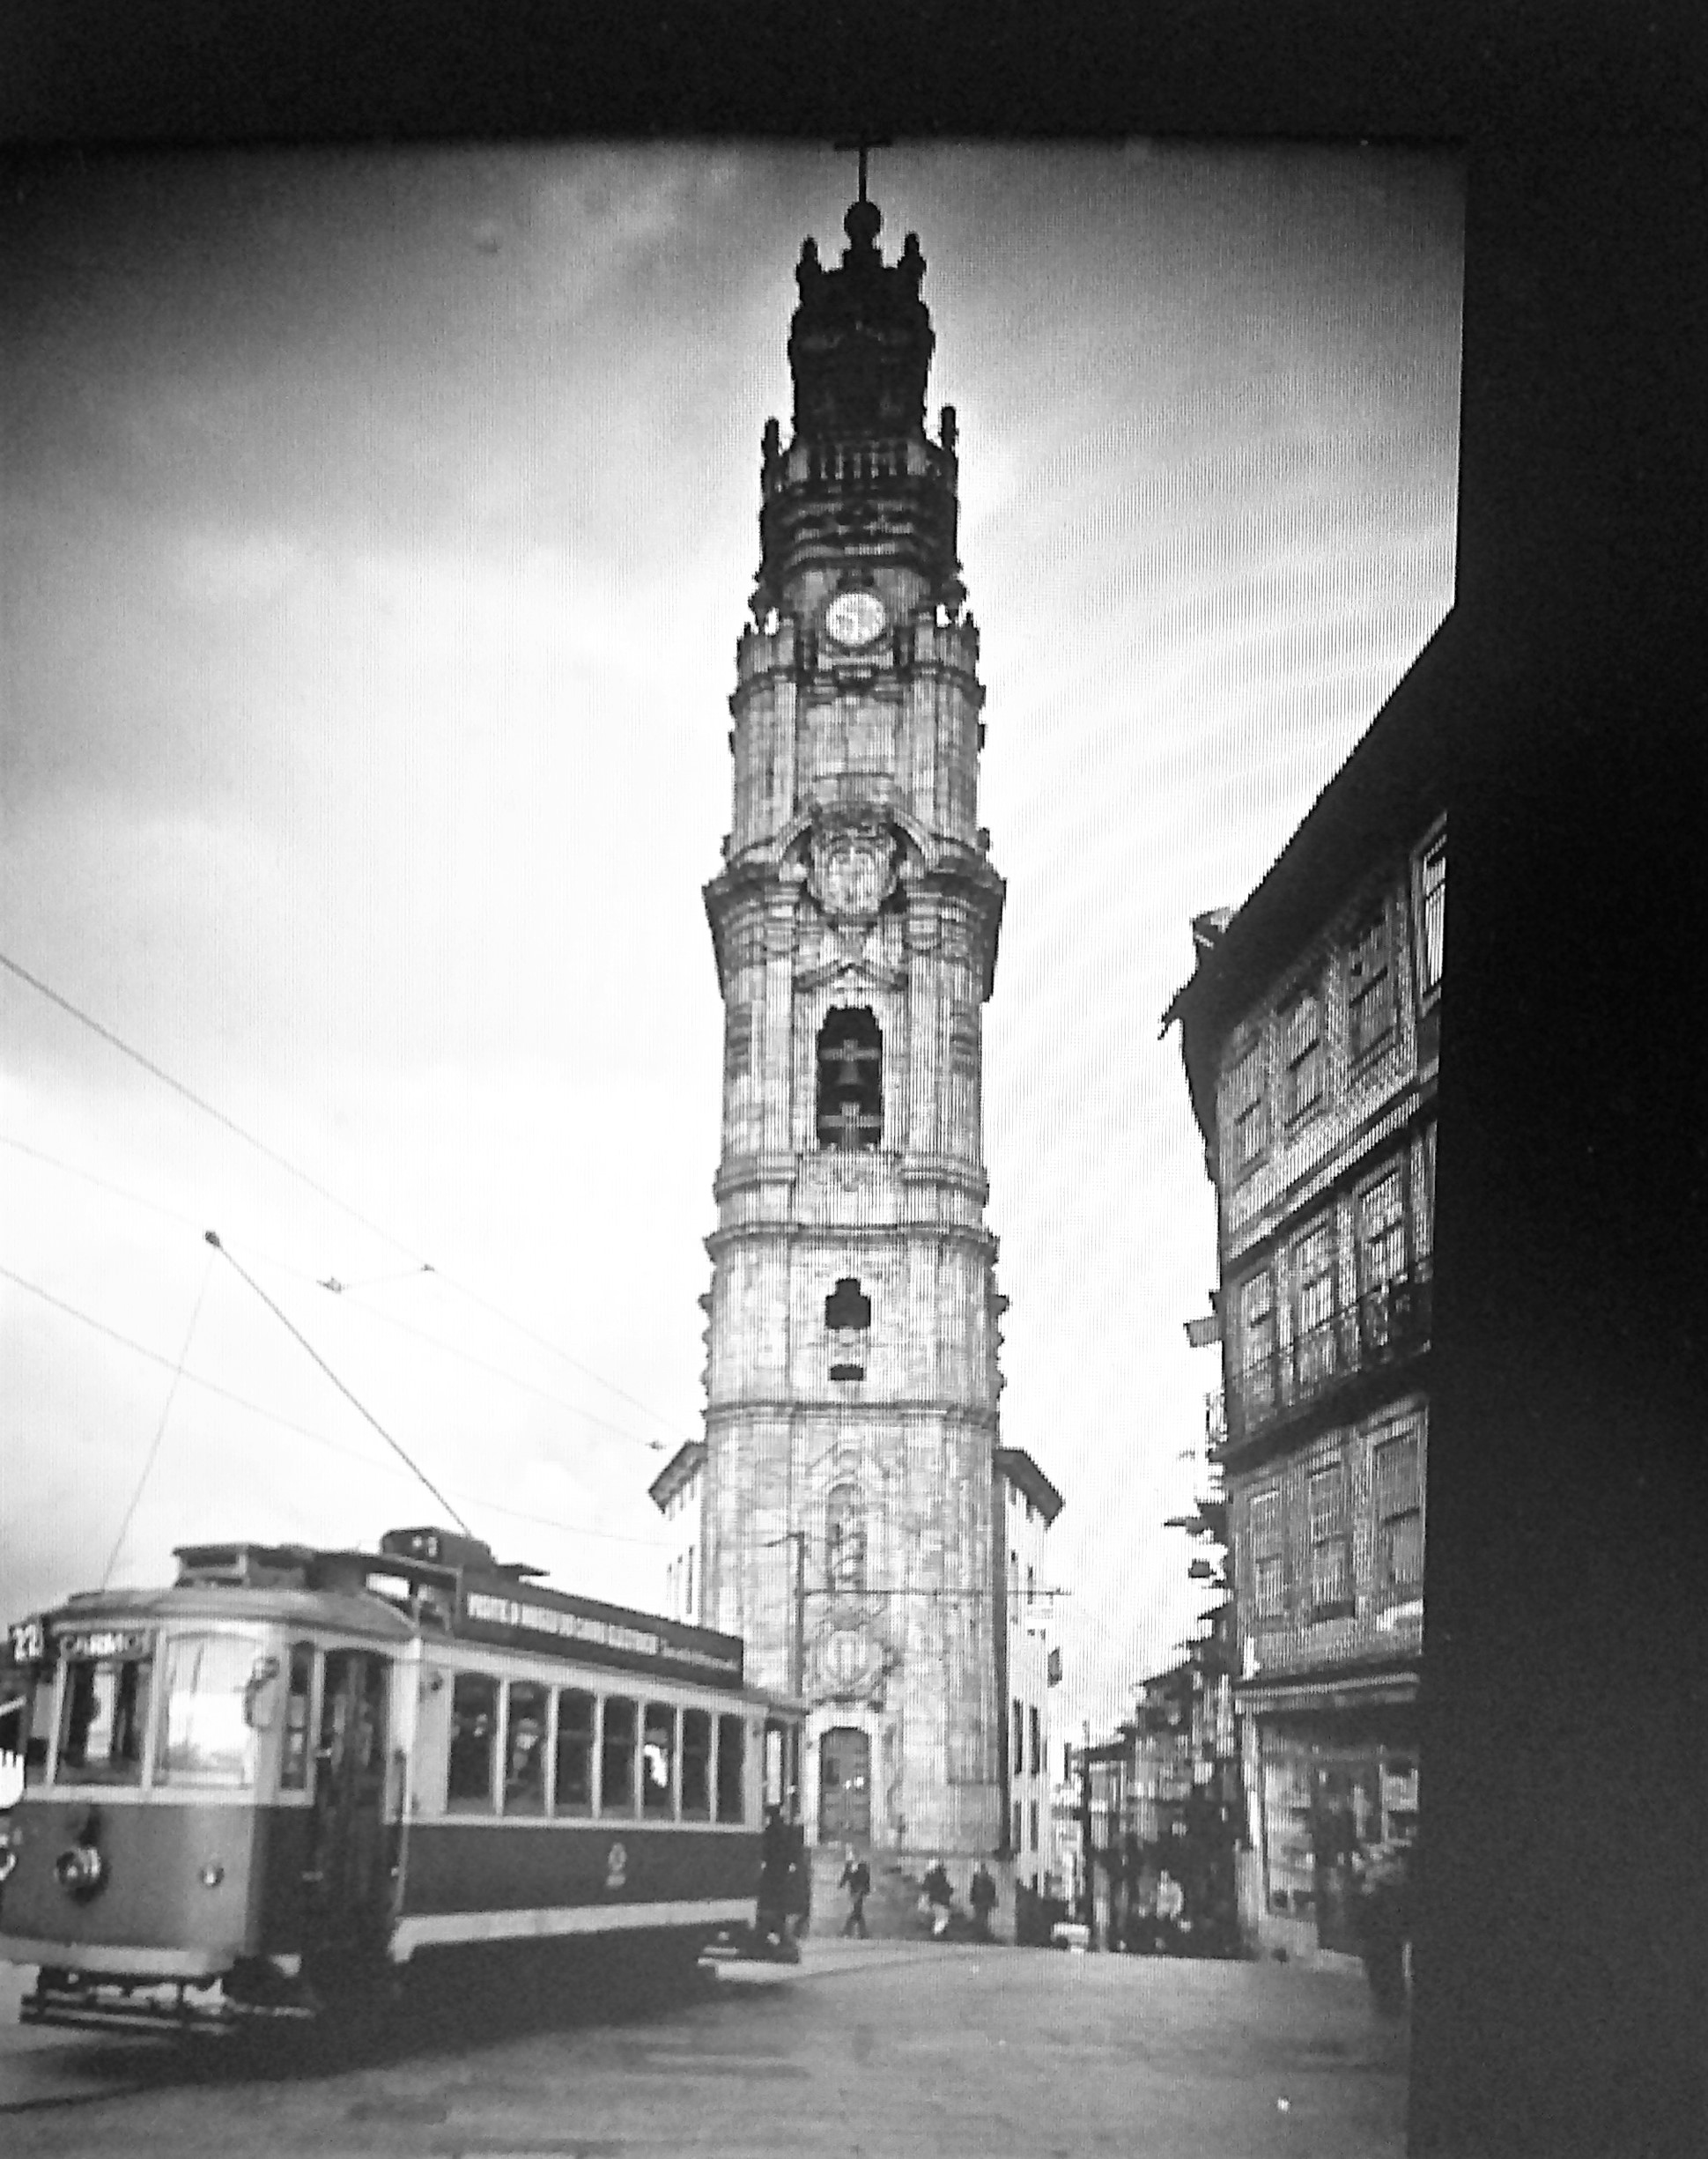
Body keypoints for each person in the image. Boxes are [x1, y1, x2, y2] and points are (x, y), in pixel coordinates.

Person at [839, 1845, 871, 1937]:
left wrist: (865, 1889)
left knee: (856, 1911)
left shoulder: (863, 1865)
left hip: (860, 1890)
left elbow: (866, 1878)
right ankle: (862, 1933)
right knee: (857, 1912)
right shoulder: (849, 1865)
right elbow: (846, 1876)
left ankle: (847, 1931)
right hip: (853, 1890)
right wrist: (841, 1884)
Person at [921, 1857, 954, 1939]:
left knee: (941, 1918)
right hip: (939, 1900)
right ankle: (936, 1934)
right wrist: (949, 1890)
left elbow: (926, 1888)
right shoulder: (937, 1877)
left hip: (936, 1900)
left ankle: (936, 1934)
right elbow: (941, 1888)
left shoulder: (930, 1877)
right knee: (943, 1918)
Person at [969, 1860, 998, 1940]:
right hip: (980, 1903)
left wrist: (992, 1901)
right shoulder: (981, 1880)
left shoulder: (986, 1880)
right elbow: (974, 1891)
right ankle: (980, 1933)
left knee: (983, 1918)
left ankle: (981, 1933)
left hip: (983, 1903)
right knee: (981, 1918)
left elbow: (991, 1891)